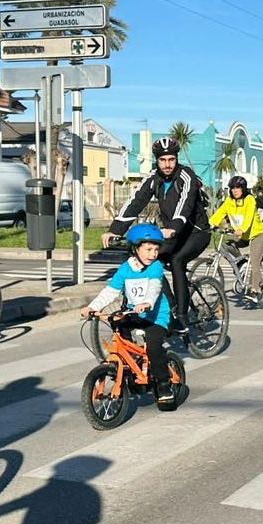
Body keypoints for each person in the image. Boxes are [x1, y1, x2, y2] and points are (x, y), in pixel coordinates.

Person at [104, 137, 211, 336]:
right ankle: (168, 307)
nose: (168, 164)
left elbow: (184, 205)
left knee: (177, 260)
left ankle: (181, 316)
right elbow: (136, 201)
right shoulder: (154, 178)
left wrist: (173, 227)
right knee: (151, 260)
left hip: (196, 232)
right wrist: (115, 229)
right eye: (163, 160)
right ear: (157, 160)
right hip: (172, 234)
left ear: (176, 158)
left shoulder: (186, 176)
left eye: (171, 159)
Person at [82, 223, 175, 405]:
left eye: (156, 249)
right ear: (135, 248)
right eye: (148, 249)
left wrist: (147, 303)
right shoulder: (125, 269)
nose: (153, 254)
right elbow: (110, 291)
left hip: (156, 317)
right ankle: (132, 367)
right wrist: (91, 307)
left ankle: (164, 385)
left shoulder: (155, 267)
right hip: (134, 313)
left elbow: (155, 288)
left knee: (154, 348)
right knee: (119, 325)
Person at [208, 176, 263, 304]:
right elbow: (220, 213)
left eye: (238, 188)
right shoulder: (229, 201)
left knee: (254, 261)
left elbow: (249, 217)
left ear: (243, 189)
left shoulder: (249, 199)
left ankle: (255, 291)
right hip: (241, 236)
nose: (235, 191)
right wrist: (210, 224)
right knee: (225, 245)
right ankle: (240, 265)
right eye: (232, 188)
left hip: (257, 235)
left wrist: (242, 229)